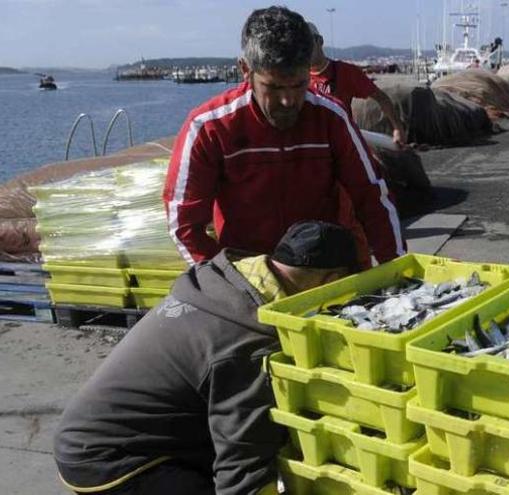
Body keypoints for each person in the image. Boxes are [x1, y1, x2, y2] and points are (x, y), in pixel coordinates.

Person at [53, 221, 360, 495]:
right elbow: (243, 464)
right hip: (113, 462)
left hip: (97, 435)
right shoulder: (247, 342)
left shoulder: (222, 285)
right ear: (329, 281)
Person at [163, 6, 406, 269]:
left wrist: (398, 271)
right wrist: (231, 281)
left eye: (299, 84)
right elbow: (185, 226)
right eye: (274, 87)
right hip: (247, 277)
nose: (288, 100)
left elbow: (372, 197)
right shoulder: (208, 128)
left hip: (322, 270)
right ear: (245, 69)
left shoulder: (331, 118)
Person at [307, 22, 407, 148]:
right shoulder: (296, 78)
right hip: (311, 146)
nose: (303, 49)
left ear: (319, 41)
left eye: (307, 43)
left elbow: (381, 98)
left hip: (341, 145)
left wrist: (397, 128)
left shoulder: (345, 72)